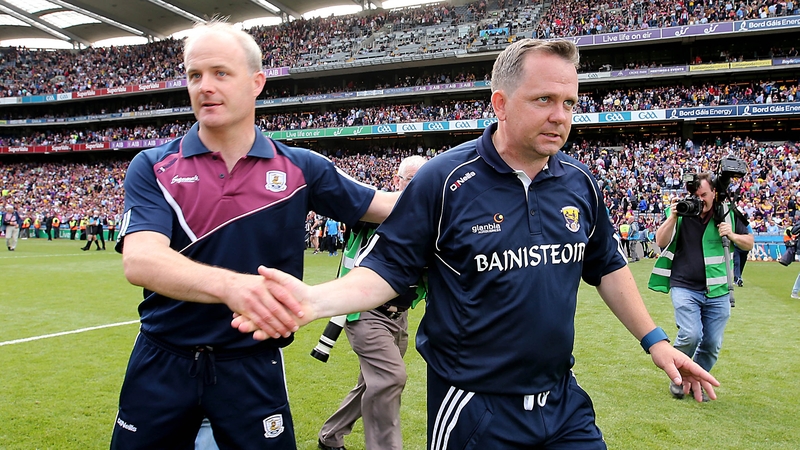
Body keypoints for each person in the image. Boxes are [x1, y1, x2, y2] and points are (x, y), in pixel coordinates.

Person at [236, 39, 720, 449]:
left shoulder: (580, 182)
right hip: (473, 406)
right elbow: (387, 268)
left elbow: (607, 266)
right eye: (544, 100)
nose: (560, 116)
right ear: (501, 104)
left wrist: (656, 342)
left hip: (562, 400)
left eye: (569, 103)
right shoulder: (444, 180)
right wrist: (313, 300)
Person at [110, 20, 396, 450]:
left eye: (221, 73)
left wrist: (465, 181)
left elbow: (387, 206)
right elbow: (141, 260)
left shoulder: (301, 167)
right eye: (194, 75)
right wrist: (233, 288)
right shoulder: (152, 166)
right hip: (161, 360)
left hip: (252, 362)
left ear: (257, 82)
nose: (205, 86)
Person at [318, 155, 427, 450]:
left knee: (373, 382)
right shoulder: (375, 209)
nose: (418, 186)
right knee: (390, 378)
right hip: (365, 312)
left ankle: (330, 436)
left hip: (399, 316)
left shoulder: (427, 214)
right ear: (396, 181)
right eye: (411, 180)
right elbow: (346, 201)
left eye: (423, 180)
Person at [648, 173, 753, 400]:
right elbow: (660, 241)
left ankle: (695, 380)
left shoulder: (728, 213)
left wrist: (732, 235)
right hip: (684, 285)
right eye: (696, 195)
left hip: (719, 290)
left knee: (712, 343)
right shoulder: (682, 211)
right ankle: (678, 377)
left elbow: (749, 242)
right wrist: (673, 216)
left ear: (714, 192)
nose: (700, 200)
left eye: (704, 195)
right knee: (690, 334)